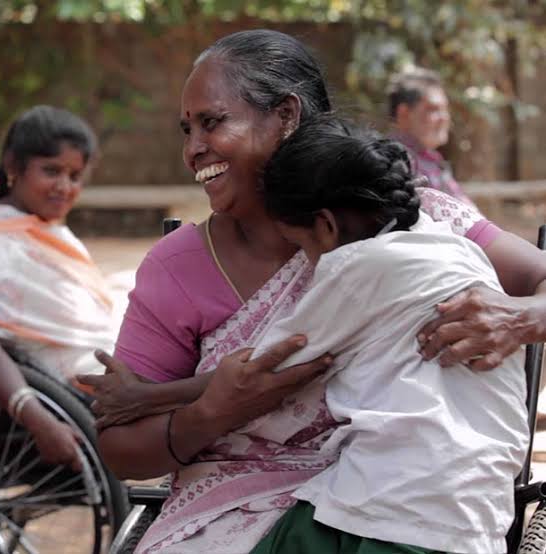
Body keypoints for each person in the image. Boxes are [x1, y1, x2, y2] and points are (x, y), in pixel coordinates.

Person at [81, 30, 546, 553]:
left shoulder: (416, 220)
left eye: (213, 122)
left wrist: (521, 317)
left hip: (399, 507)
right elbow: (122, 448)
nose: (192, 150)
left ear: (286, 115)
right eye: (187, 130)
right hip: (232, 517)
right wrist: (212, 413)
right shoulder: (180, 267)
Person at [245, 116, 527, 554]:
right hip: (477, 515)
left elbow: (268, 366)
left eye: (301, 246)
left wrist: (165, 396)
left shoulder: (355, 267)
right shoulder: (458, 249)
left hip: (394, 508)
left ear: (326, 225)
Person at [0, 105, 119, 469]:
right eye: (51, 171)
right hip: (67, 390)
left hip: (95, 367)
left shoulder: (38, 229)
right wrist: (37, 418)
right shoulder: (0, 244)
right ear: (14, 166)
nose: (64, 187)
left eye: (75, 176)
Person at [387, 67, 476, 207]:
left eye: (445, 109)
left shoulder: (429, 160)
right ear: (404, 113)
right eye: (433, 109)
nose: (444, 118)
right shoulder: (395, 162)